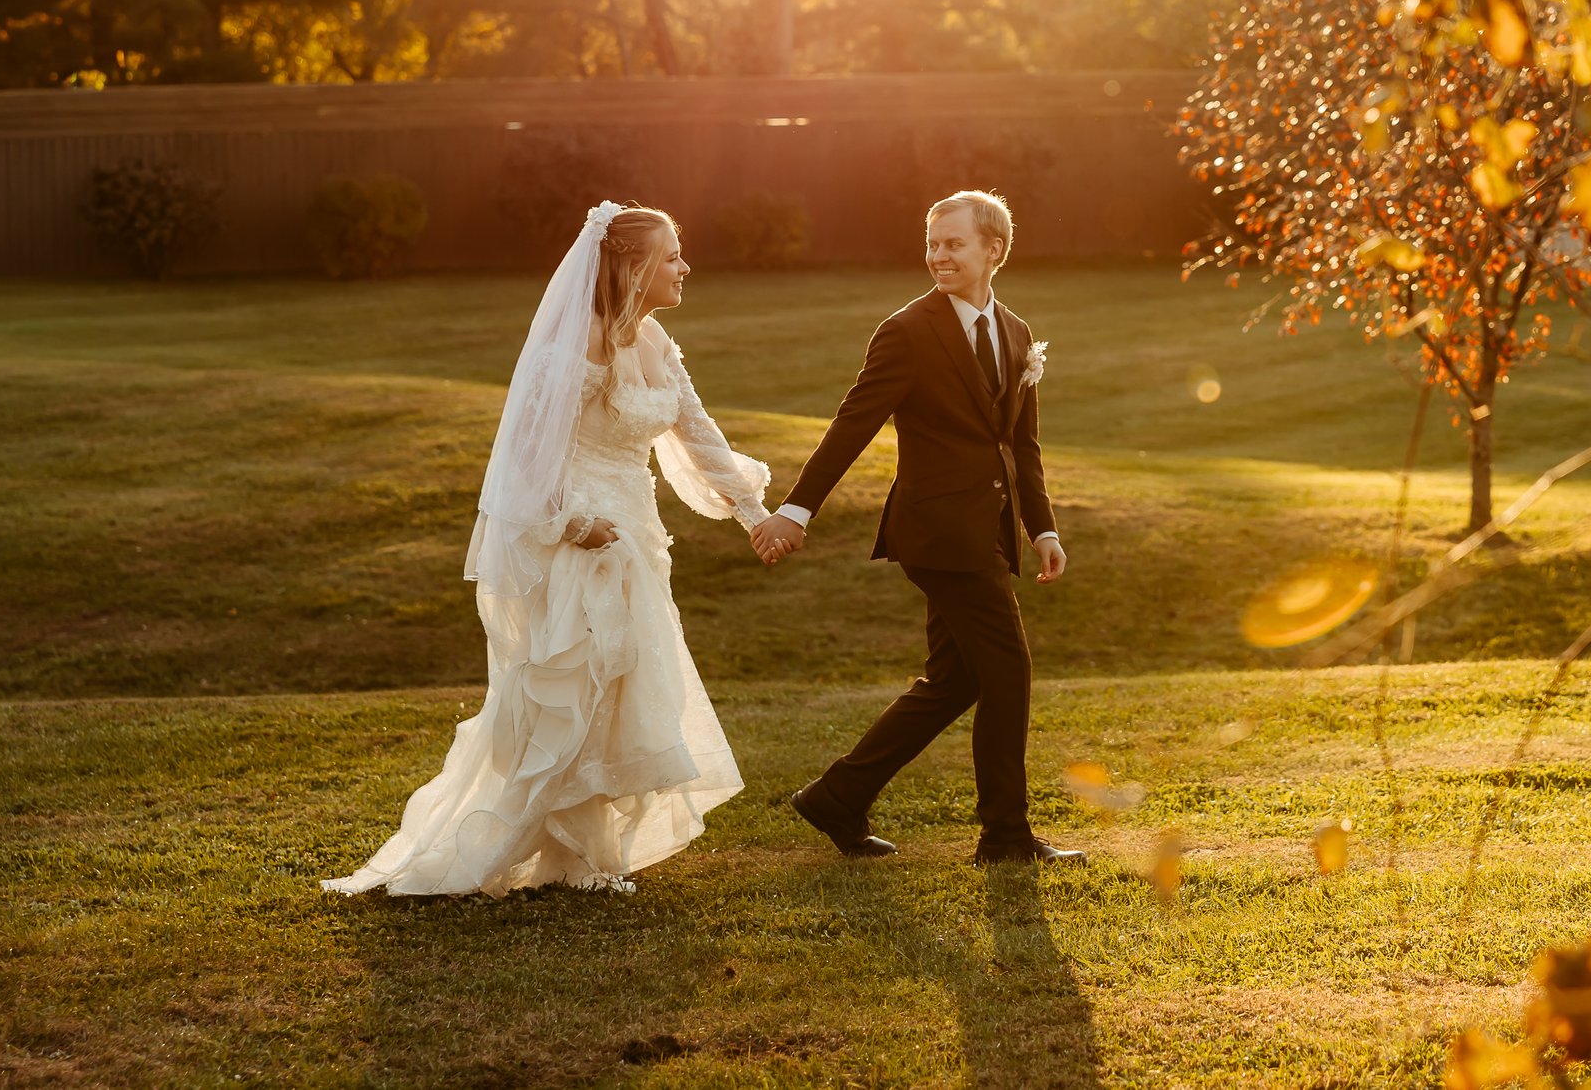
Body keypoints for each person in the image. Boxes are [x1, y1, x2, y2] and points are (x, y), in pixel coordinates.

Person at [324, 202, 770, 897]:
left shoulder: (656, 343)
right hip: (581, 536)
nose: (686, 266)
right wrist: (570, 523)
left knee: (620, 687)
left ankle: (583, 854)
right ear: (632, 266)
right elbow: (528, 461)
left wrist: (754, 513)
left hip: (639, 535)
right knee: (575, 683)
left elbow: (699, 434)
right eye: (673, 255)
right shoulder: (574, 345)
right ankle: (541, 848)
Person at [747, 190, 1084, 865]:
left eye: (953, 243)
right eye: (932, 243)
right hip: (934, 532)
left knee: (955, 680)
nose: (938, 254)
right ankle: (1006, 836)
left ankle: (838, 795)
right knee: (1009, 670)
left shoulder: (1016, 332)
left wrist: (1040, 528)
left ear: (993, 250)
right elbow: (853, 423)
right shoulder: (907, 329)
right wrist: (794, 509)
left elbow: (1023, 446)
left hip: (986, 531)